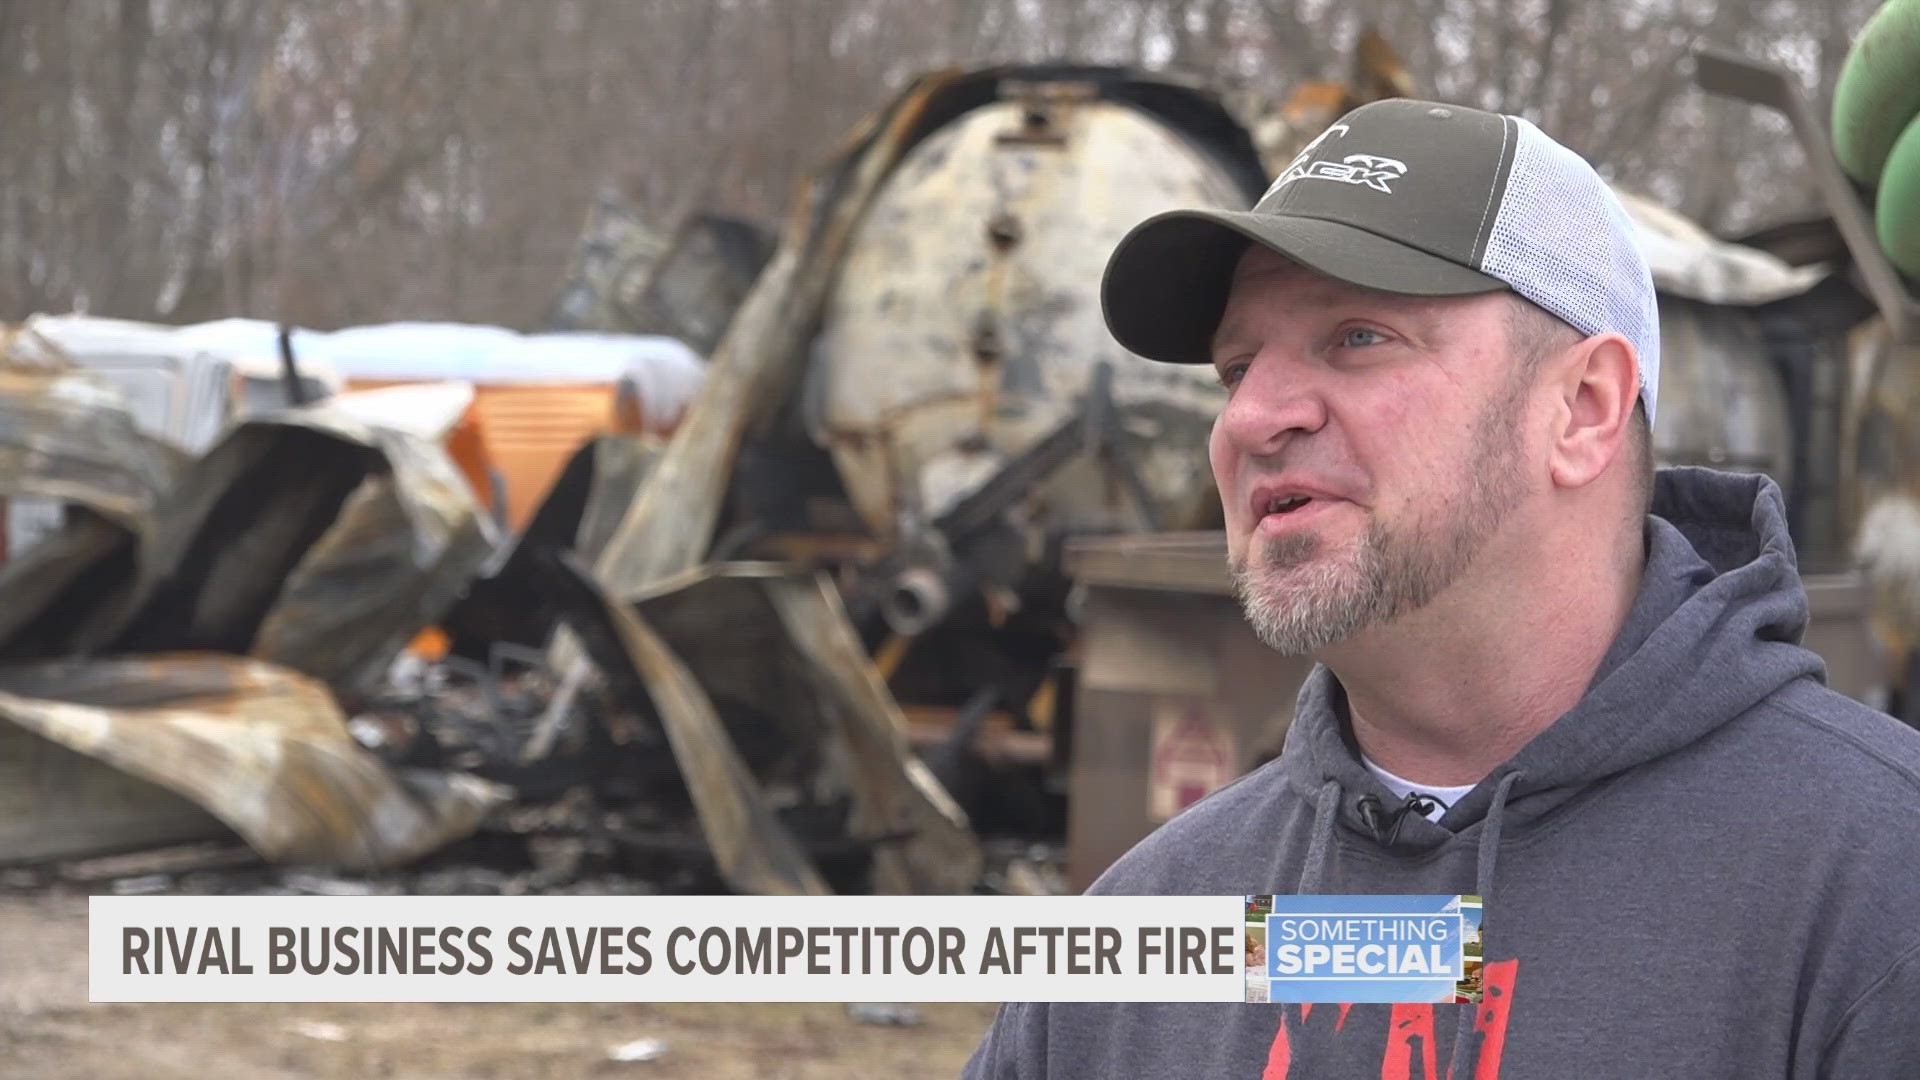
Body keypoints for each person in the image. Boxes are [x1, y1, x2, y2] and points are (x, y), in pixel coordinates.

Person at [962, 97, 1920, 1078]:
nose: (1252, 417)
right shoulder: (1143, 937)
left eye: (1357, 338)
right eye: (1237, 367)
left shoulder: (1876, 885)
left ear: (1582, 409)